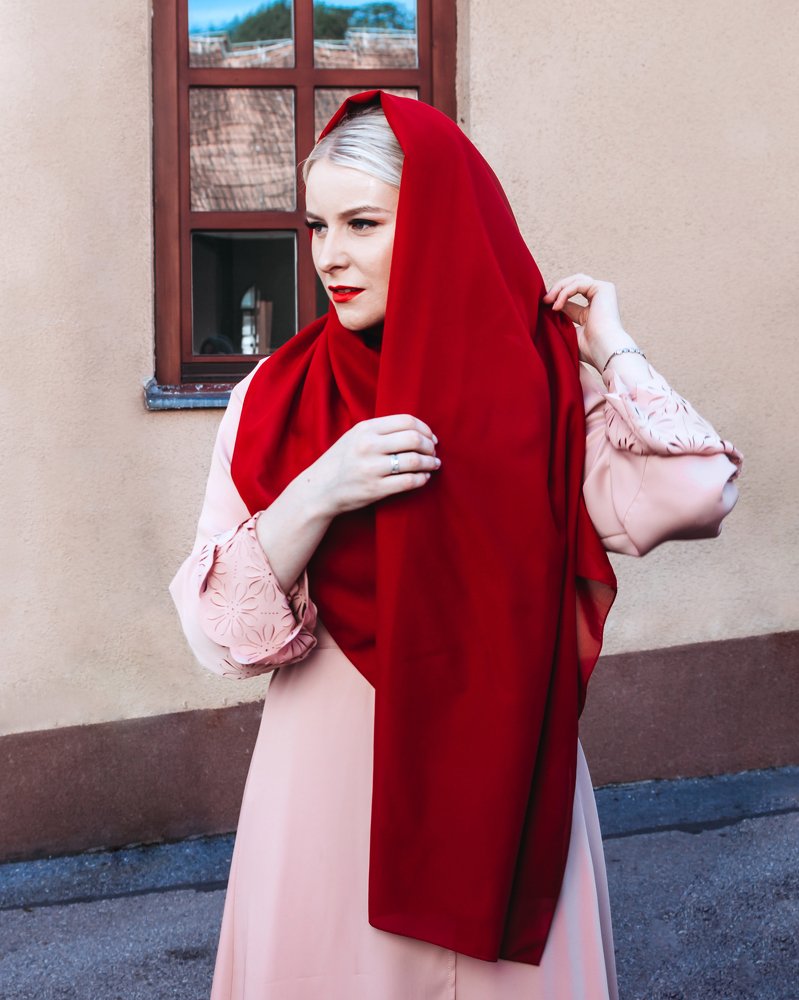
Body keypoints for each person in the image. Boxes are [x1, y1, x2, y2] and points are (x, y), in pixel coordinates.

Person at [170, 91, 742, 1000]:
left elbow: (696, 492)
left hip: (506, 778)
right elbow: (217, 637)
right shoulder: (272, 399)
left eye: (363, 223)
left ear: (437, 221)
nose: (331, 256)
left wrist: (611, 348)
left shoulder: (543, 390)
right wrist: (321, 488)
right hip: (328, 788)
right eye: (318, 225)